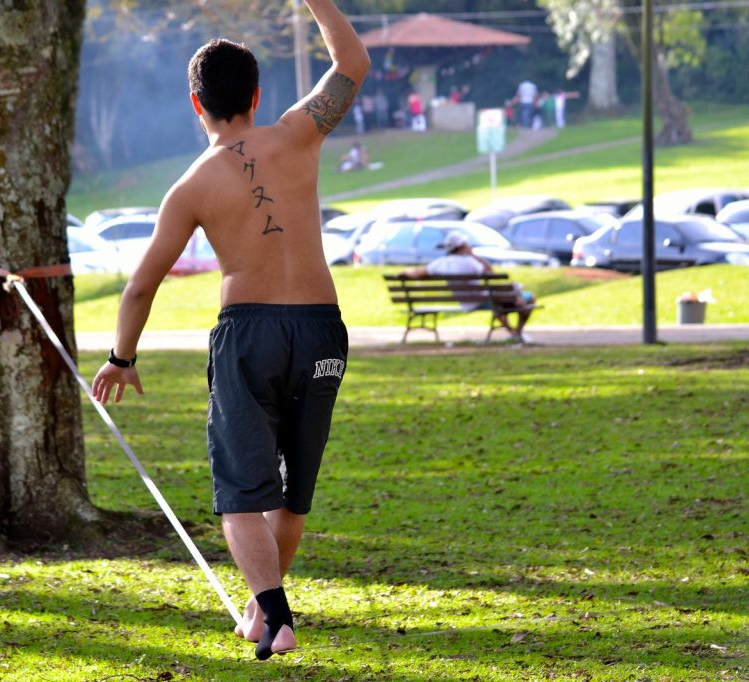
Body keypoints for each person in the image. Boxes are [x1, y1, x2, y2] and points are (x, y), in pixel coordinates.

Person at [90, 0, 368, 661]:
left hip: (250, 335)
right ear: (256, 95)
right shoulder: (300, 133)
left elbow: (141, 284)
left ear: (196, 105)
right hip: (323, 330)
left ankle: (277, 619)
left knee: (242, 493)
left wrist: (121, 357)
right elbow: (352, 62)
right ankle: (257, 612)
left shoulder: (191, 186)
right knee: (292, 492)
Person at [402, 230, 536, 343]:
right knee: (525, 298)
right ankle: (517, 332)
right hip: (482, 300)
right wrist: (473, 254)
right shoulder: (470, 262)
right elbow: (490, 271)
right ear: (463, 246)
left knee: (503, 300)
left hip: (465, 301)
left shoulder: (440, 263)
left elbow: (419, 272)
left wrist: (405, 272)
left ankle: (514, 332)